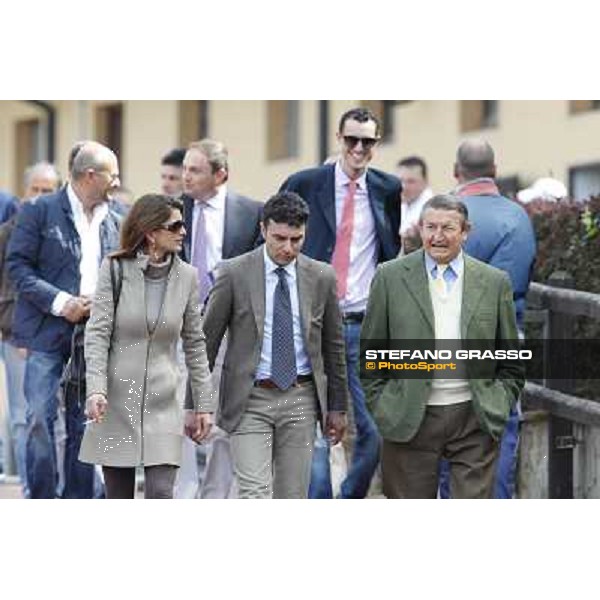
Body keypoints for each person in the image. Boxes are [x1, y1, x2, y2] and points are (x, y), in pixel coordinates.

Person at [360, 195, 525, 498]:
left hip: (474, 415)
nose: (437, 236)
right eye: (430, 227)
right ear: (420, 229)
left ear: (465, 232)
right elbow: (371, 355)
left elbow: (510, 359)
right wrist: (383, 407)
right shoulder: (389, 277)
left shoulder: (494, 282)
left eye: (448, 228)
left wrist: (498, 402)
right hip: (408, 416)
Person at [279, 106, 401, 499]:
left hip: (364, 324)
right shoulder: (304, 182)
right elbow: (269, 241)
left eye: (368, 141)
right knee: (310, 429)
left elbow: (389, 250)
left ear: (376, 145)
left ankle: (349, 498)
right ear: (339, 139)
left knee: (376, 428)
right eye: (352, 140)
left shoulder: (388, 189)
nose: (359, 148)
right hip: (309, 323)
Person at [202, 191, 348, 498]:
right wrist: (196, 405)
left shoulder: (321, 276)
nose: (288, 248)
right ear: (263, 229)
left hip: (301, 397)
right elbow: (207, 343)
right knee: (254, 493)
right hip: (250, 398)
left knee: (291, 496)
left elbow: (333, 347)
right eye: (280, 238)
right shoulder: (233, 272)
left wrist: (337, 407)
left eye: (297, 239)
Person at [6, 141, 122, 498]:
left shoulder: (117, 220)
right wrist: (61, 302)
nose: (117, 183)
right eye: (112, 176)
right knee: (39, 418)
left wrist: (102, 302)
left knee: (85, 424)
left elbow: (124, 273)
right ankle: (41, 499)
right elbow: (17, 267)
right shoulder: (40, 211)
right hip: (45, 329)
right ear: (91, 176)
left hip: (94, 333)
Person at [80, 194, 214, 499]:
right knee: (119, 498)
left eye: (184, 225)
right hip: (115, 401)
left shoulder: (187, 277)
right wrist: (96, 389)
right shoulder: (114, 269)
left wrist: (203, 404)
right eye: (175, 225)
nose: (183, 232)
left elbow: (195, 344)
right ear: (151, 232)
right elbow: (97, 334)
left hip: (164, 404)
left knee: (161, 494)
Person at [438, 138, 536, 499]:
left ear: (455, 172)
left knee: (451, 439)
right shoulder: (519, 217)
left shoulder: (444, 219)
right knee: (503, 435)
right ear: (494, 171)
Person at [175, 138, 262, 499]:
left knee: (227, 416)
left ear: (220, 174)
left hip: (229, 330)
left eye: (194, 170)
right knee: (181, 410)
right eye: (184, 169)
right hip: (183, 325)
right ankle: (182, 493)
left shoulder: (251, 212)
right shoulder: (173, 210)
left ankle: (215, 496)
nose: (186, 177)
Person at [0, 162, 61, 498]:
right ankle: (30, 489)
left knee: (58, 418)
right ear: (24, 193)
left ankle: (58, 488)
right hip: (16, 337)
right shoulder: (8, 232)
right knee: (24, 418)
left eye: (47, 190)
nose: (39, 196)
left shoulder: (63, 228)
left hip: (58, 336)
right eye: (35, 189)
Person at [397, 155, 433, 251]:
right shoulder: (401, 204)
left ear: (425, 182)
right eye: (400, 181)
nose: (404, 186)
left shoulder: (432, 210)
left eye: (411, 181)